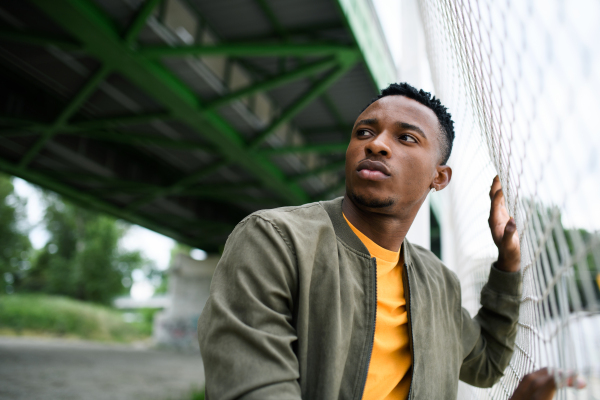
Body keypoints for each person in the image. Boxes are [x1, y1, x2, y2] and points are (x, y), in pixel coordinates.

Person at [197, 83, 547, 399]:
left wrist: (508, 261)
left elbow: (485, 366)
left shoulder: (439, 283)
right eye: (364, 132)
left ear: (438, 177)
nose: (376, 144)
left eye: (406, 138)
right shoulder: (273, 241)